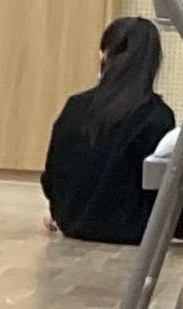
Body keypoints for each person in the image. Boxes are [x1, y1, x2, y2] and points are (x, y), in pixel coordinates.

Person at [41, 15, 174, 244]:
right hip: (133, 229)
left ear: (103, 55)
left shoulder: (74, 106)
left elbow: (52, 173)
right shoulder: (158, 115)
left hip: (71, 221)